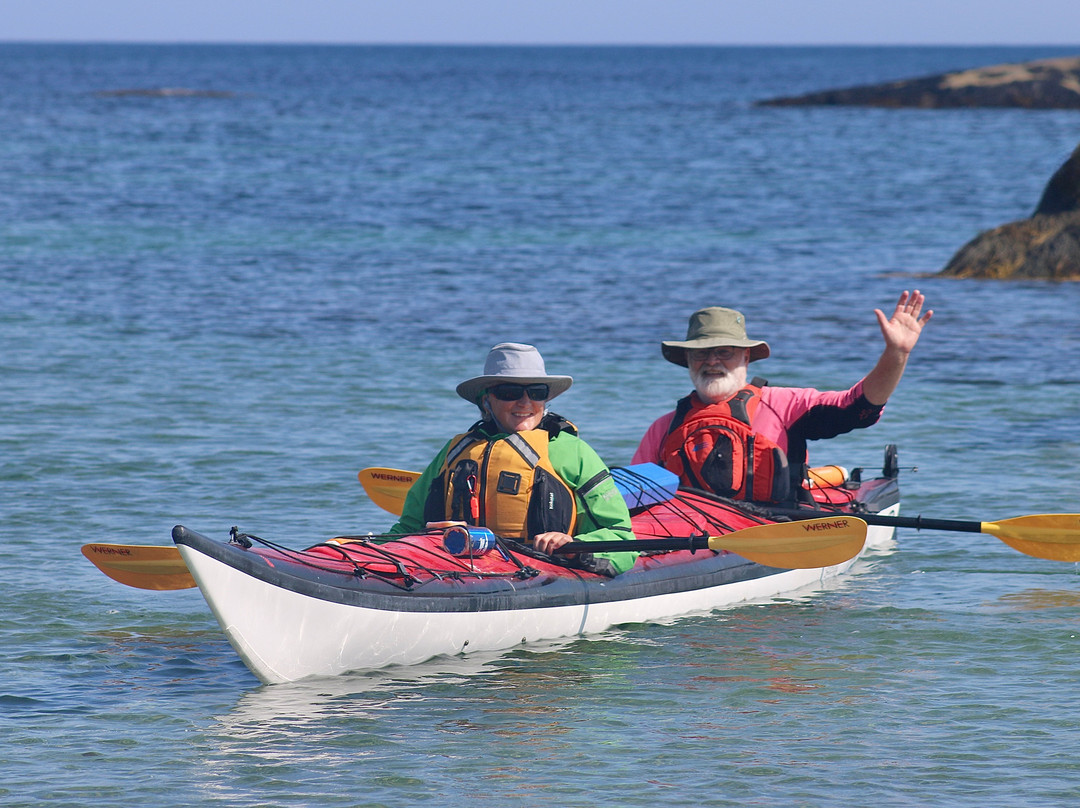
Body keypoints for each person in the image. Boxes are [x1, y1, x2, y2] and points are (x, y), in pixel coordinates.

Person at [633, 290, 933, 503]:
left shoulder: (786, 406)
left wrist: (896, 354)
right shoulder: (663, 429)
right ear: (687, 360)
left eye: (724, 352)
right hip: (691, 540)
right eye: (700, 353)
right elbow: (635, 497)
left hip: (777, 529)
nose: (712, 361)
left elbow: (858, 407)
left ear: (746, 357)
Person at [389, 343, 637, 576]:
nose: (525, 402)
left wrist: (573, 544)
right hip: (455, 570)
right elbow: (407, 528)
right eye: (510, 392)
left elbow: (621, 538)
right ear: (486, 400)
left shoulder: (571, 451)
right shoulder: (454, 452)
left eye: (537, 392)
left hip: (539, 571)